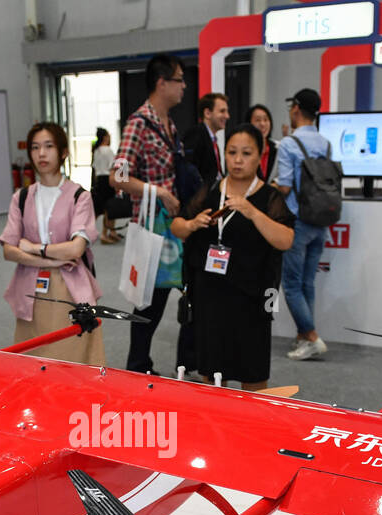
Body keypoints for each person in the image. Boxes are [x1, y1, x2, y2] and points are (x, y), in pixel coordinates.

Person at [172, 124, 295, 390]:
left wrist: (252, 212)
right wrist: (192, 224)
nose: (238, 160)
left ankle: (252, 428)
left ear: (259, 155)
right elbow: (177, 225)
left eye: (247, 153)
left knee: (253, 372)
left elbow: (285, 240)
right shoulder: (211, 190)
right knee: (212, 371)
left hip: (252, 296)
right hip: (210, 293)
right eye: (232, 152)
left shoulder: (268, 196)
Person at [112, 53, 197, 375]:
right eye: (179, 80)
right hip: (153, 230)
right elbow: (117, 176)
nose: (184, 87)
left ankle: (187, 362)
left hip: (175, 228)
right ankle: (138, 366)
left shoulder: (168, 124)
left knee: (191, 294)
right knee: (149, 303)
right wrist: (157, 191)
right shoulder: (139, 124)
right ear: (162, 83)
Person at [0, 122, 104, 365]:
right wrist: (47, 258)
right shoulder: (22, 197)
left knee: (71, 356)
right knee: (31, 357)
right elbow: (8, 250)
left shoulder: (80, 196)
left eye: (48, 146)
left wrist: (34, 247)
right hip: (30, 287)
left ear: (63, 152)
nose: (41, 154)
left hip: (69, 286)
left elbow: (76, 249)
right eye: (35, 148)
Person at [276, 88, 331, 361]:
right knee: (307, 283)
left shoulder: (288, 144)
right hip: (321, 219)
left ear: (296, 108)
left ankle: (310, 336)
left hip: (296, 221)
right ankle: (303, 337)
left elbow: (285, 187)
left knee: (292, 284)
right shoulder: (325, 143)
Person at [183, 92, 229, 185]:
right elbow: (189, 171)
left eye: (227, 111)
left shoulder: (212, 140)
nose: (227, 116)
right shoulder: (195, 134)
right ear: (207, 113)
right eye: (222, 111)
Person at [90, 128, 120, 244]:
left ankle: (111, 232)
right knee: (110, 208)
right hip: (108, 180)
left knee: (99, 208)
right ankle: (104, 233)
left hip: (99, 181)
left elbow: (94, 168)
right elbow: (114, 167)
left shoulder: (96, 150)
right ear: (105, 137)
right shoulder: (108, 150)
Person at [246, 104, 278, 185]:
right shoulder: (244, 149)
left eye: (266, 119)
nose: (262, 124)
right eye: (257, 120)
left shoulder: (278, 148)